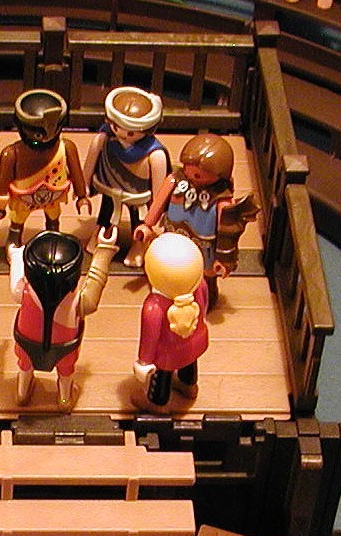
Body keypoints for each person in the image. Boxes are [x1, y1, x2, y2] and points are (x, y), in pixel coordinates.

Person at [133, 134, 259, 309]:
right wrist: (147, 225)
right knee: (169, 268)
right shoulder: (175, 181)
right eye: (188, 168)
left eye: (200, 174)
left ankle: (205, 301)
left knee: (205, 277)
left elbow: (227, 232)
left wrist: (224, 260)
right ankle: (168, 293)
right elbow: (158, 204)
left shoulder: (221, 200)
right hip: (173, 237)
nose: (192, 175)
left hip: (204, 246)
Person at [8, 227, 118, 411]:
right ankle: (64, 399)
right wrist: (104, 251)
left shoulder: (22, 291)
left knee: (25, 365)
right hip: (65, 346)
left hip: (26, 342)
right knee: (66, 370)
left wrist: (18, 255)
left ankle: (22, 393)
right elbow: (96, 282)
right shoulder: (76, 300)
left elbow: (16, 268)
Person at [0, 89, 90, 248]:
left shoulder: (66, 148)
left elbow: (76, 174)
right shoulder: (11, 154)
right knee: (17, 221)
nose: (44, 140)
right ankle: (14, 244)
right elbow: (1, 187)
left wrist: (82, 195)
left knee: (53, 219)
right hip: (23, 199)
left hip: (53, 197)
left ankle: (53, 241)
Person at [83, 86, 168, 267]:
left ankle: (138, 245)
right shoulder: (104, 138)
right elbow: (90, 163)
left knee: (139, 222)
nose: (121, 133)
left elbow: (159, 187)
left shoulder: (154, 153)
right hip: (110, 188)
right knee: (106, 215)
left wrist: (157, 211)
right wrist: (84, 187)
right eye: (116, 127)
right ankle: (102, 236)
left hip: (139, 197)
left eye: (130, 132)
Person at [133, 232, 208, 415]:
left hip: (166, 353)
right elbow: (205, 308)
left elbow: (149, 339)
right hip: (196, 340)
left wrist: (144, 361)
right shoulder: (200, 286)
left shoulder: (154, 306)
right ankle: (189, 386)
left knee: (161, 376)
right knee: (189, 363)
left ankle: (157, 402)